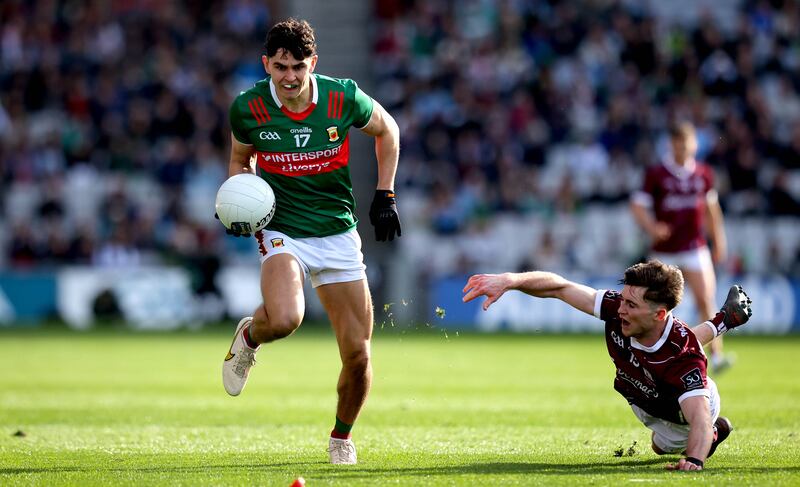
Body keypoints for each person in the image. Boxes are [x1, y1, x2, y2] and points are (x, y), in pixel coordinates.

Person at [220, 18, 401, 465]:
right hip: (282, 228)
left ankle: (341, 437)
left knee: (358, 356)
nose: (290, 77)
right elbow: (240, 162)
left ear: (313, 63)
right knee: (285, 319)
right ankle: (251, 335)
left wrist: (386, 194)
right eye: (280, 67)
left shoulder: (342, 96)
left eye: (298, 67)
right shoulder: (247, 108)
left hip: (338, 231)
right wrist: (238, 203)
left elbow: (388, 130)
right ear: (266, 64)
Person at [462, 260, 752, 470]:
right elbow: (560, 288)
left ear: (659, 314)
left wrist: (694, 461)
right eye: (623, 299)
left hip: (678, 414)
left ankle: (717, 433)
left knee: (660, 446)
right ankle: (725, 319)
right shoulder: (620, 309)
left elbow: (699, 418)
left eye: (631, 305)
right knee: (669, 349)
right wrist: (510, 280)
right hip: (645, 393)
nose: (620, 309)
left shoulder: (686, 360)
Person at [630, 121, 732, 373]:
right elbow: (638, 206)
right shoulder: (657, 173)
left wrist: (719, 239)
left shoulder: (703, 173)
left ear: (694, 144)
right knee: (654, 305)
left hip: (695, 247)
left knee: (705, 299)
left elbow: (711, 209)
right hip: (663, 251)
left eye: (687, 142)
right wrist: (652, 227)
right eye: (678, 143)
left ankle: (716, 356)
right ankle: (649, 355)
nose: (683, 147)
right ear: (671, 144)